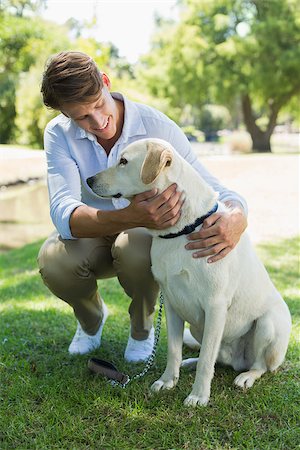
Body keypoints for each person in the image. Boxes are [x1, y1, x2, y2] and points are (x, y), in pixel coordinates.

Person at [38, 51, 248, 363]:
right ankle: (91, 320)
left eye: (98, 104)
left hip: (141, 238)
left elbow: (211, 185)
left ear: (106, 82)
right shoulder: (59, 135)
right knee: (53, 261)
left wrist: (237, 216)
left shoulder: (156, 127)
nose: (97, 121)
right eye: (82, 116)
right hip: (94, 231)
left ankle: (141, 328)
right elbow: (62, 211)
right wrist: (127, 215)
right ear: (66, 115)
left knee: (134, 246)